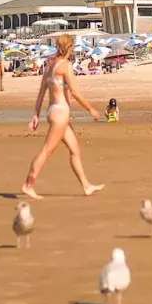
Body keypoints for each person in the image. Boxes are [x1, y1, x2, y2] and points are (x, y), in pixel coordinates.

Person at [21, 35, 105, 200]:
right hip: (60, 113)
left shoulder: (50, 64)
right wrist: (91, 109)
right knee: (47, 150)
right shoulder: (65, 66)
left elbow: (41, 93)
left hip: (53, 111)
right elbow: (74, 92)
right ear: (69, 48)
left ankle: (86, 186)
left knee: (75, 149)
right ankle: (28, 185)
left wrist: (36, 114)